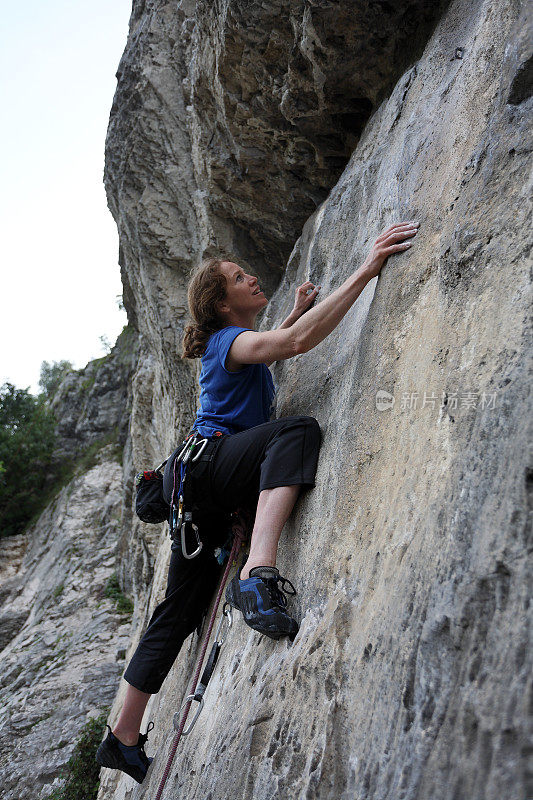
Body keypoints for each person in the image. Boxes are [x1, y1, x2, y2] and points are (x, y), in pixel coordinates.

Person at [96, 220, 420, 783]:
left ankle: (122, 735)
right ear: (223, 306)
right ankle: (259, 572)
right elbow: (291, 345)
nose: (251, 278)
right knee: (296, 432)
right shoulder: (227, 342)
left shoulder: (234, 348)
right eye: (239, 278)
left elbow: (274, 347)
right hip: (213, 472)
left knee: (176, 611)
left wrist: (293, 311)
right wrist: (366, 270)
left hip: (199, 491)